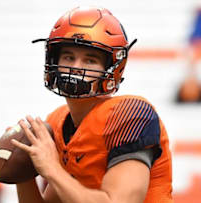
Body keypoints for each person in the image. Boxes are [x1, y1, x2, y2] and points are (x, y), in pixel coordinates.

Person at [10, 6, 173, 203]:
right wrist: (22, 174)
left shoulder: (130, 114)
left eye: (90, 60)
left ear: (112, 68)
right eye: (69, 57)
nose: (76, 67)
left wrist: (52, 169)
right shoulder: (58, 122)